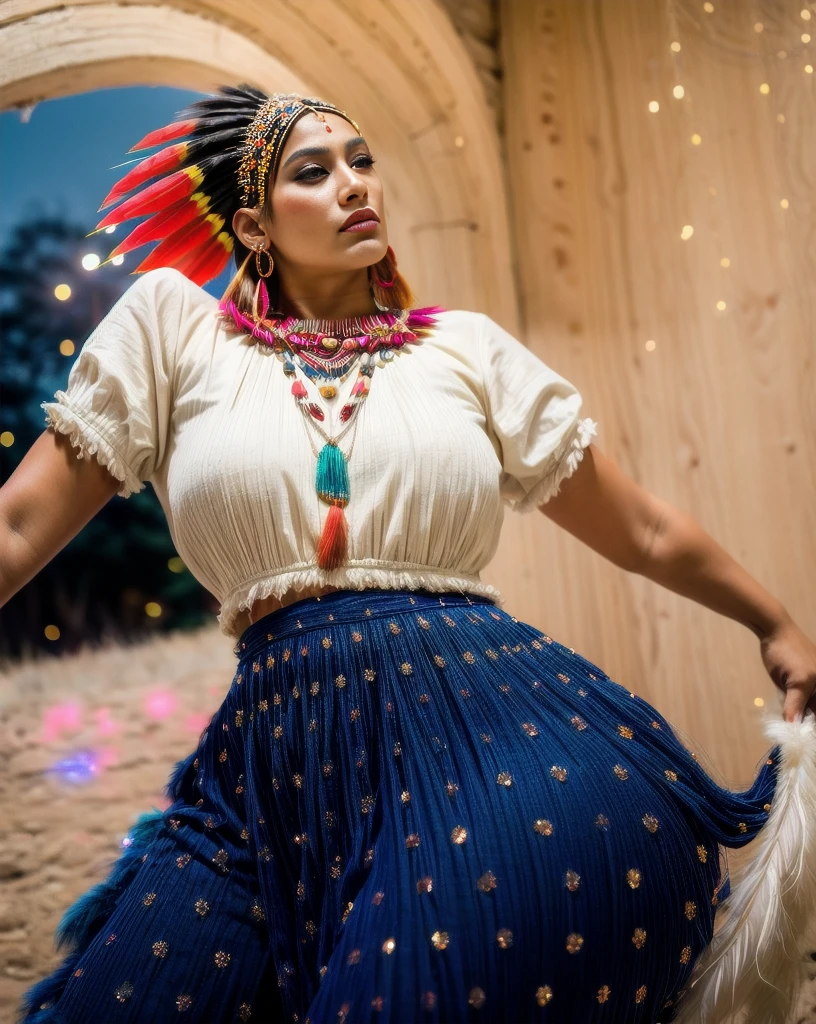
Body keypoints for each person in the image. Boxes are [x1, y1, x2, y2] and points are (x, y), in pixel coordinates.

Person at [4, 84, 815, 1024]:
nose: (355, 185)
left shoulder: (463, 351)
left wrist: (775, 620)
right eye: (315, 171)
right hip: (268, 773)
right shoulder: (173, 331)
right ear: (254, 226)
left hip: (509, 748)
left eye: (363, 161)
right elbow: (20, 526)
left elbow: (640, 528)